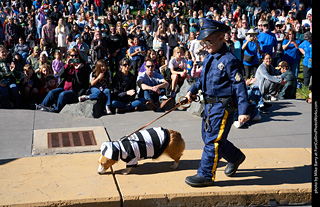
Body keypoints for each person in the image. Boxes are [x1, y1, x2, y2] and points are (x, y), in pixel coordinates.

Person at [184, 18, 250, 187]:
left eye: (209, 41)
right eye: (204, 42)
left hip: (223, 106)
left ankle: (206, 175)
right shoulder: (210, 58)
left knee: (212, 140)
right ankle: (235, 157)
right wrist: (190, 92)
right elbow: (201, 81)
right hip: (209, 105)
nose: (206, 45)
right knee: (210, 137)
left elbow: (239, 85)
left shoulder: (229, 60)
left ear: (222, 38)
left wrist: (243, 110)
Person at [38, 48, 90, 112]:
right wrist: (66, 65)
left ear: (79, 56)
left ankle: (57, 110)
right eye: (72, 56)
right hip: (65, 88)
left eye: (76, 56)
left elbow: (80, 82)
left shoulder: (83, 66)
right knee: (52, 92)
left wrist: (77, 70)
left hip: (76, 90)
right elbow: (60, 75)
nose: (74, 58)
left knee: (62, 95)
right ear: (69, 56)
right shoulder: (68, 65)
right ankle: (42, 106)